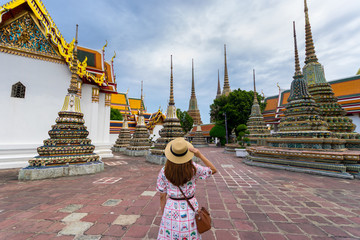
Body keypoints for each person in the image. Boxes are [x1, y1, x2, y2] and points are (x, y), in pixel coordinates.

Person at [156, 137, 217, 240]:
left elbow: (162, 196)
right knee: (190, 234)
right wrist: (199, 155)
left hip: (171, 208)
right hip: (190, 206)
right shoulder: (193, 168)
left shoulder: (164, 171)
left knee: (170, 235)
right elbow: (213, 170)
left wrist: (164, 213)